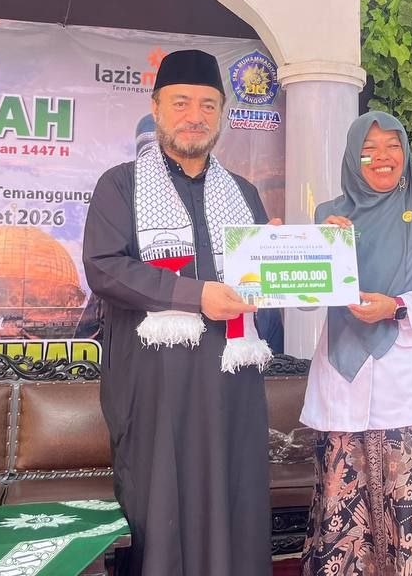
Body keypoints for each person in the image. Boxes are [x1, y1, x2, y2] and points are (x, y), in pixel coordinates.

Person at [81, 49, 275, 576]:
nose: (195, 116)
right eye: (182, 102)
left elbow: (266, 283)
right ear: (156, 108)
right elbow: (104, 267)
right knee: (160, 505)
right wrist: (195, 296)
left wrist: (315, 251)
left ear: (222, 114)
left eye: (208, 105)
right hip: (154, 385)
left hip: (231, 383)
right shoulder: (121, 185)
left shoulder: (243, 193)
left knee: (234, 497)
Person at [301, 111, 412, 575]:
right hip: (344, 382)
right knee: (345, 508)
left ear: (406, 152)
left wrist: (397, 306)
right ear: (352, 159)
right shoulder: (330, 217)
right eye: (368, 150)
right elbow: (305, 301)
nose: (382, 157)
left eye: (392, 146)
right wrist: (319, 249)